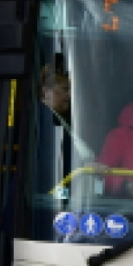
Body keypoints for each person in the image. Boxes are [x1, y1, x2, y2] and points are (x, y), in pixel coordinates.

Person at [34, 65, 94, 195]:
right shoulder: (46, 122)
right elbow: (52, 167)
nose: (70, 95)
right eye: (65, 89)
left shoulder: (57, 120)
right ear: (46, 91)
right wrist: (65, 197)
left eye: (71, 90)